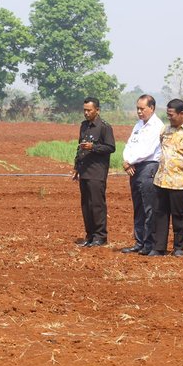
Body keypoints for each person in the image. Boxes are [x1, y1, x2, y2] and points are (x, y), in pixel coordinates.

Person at [148, 99, 183, 257]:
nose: (169, 118)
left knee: (179, 216)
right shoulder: (164, 130)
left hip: (181, 181)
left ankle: (178, 247)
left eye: (171, 115)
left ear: (182, 114)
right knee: (159, 214)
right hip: (161, 180)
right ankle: (159, 247)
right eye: (167, 115)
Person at [121, 95, 164, 255]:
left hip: (149, 167)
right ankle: (139, 242)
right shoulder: (138, 125)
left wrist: (129, 161)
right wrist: (126, 160)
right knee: (138, 207)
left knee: (149, 208)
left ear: (151, 108)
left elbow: (147, 150)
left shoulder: (157, 126)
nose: (139, 111)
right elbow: (129, 144)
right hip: (134, 167)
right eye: (137, 108)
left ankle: (149, 244)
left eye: (142, 108)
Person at [72, 97, 116, 247]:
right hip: (84, 170)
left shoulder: (104, 127)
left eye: (89, 110)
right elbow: (80, 147)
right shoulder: (84, 126)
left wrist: (93, 147)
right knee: (86, 205)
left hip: (97, 172)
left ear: (97, 110)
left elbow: (111, 147)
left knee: (97, 204)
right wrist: (76, 167)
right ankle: (90, 235)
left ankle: (100, 236)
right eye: (84, 110)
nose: (86, 113)